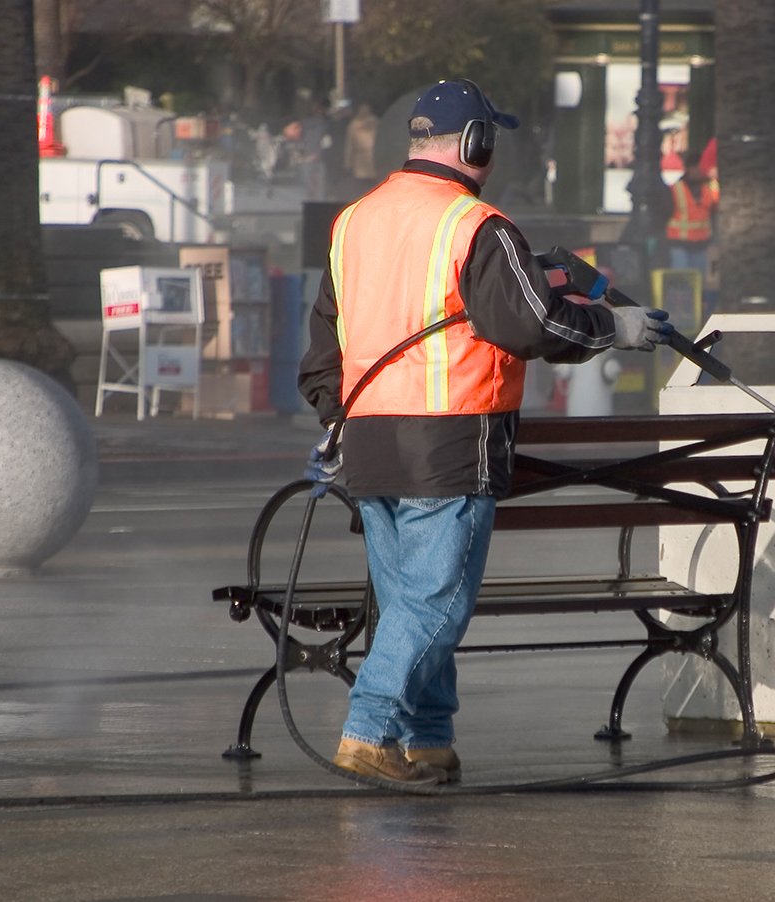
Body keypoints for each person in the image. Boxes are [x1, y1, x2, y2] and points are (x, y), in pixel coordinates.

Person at [297, 78, 671, 786]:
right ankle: (369, 730)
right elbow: (532, 324)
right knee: (436, 604)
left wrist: (337, 417)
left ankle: (427, 737)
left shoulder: (353, 222)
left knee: (408, 603)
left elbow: (322, 346)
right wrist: (614, 329)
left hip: (369, 443)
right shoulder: (475, 225)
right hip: (448, 443)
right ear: (477, 144)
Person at [664, 148, 719, 279]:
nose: (700, 171)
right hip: (679, 244)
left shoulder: (711, 188)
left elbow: (715, 212)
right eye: (697, 167)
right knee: (681, 280)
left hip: (702, 244)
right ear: (689, 168)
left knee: (698, 281)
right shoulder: (675, 189)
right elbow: (664, 214)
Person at [342, 101, 380, 191]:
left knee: (372, 186)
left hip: (372, 158)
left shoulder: (375, 123)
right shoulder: (353, 125)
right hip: (359, 159)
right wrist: (347, 162)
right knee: (361, 186)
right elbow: (349, 145)